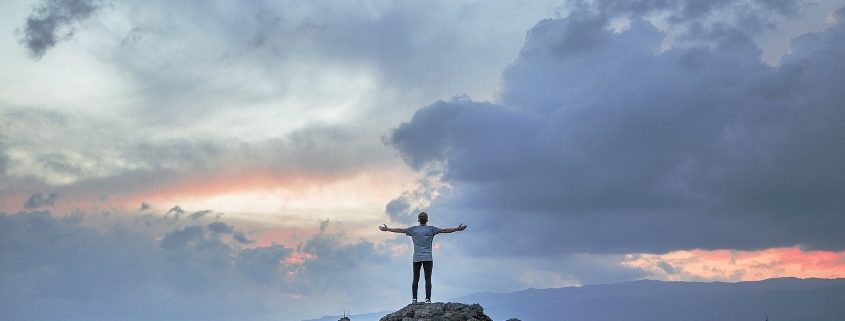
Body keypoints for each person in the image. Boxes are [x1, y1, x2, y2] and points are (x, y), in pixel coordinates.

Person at [379, 212, 467, 303]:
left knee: (415, 278)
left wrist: (387, 229)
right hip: (428, 258)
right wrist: (457, 229)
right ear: (427, 219)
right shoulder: (431, 229)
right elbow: (444, 230)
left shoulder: (413, 230)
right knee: (428, 279)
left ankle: (414, 299)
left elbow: (400, 230)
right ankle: (428, 299)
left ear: (418, 220)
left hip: (416, 258)